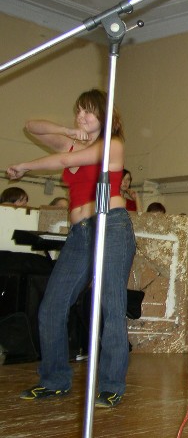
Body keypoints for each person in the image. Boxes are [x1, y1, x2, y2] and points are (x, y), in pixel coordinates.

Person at [7, 89, 136, 408]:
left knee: (112, 306)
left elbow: (65, 161)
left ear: (104, 116)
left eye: (89, 111)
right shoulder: (71, 141)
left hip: (111, 226)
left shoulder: (113, 144)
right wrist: (66, 130)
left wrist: (25, 165)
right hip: (80, 234)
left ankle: (111, 385)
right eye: (79, 110)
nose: (81, 116)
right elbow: (31, 126)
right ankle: (53, 381)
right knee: (51, 305)